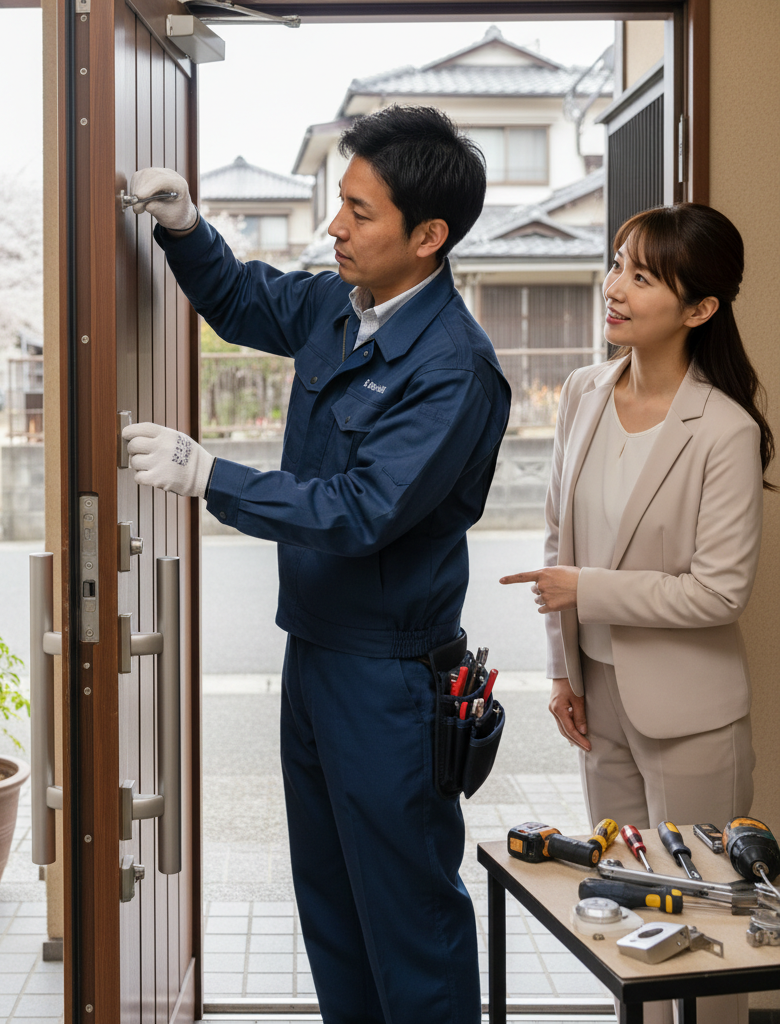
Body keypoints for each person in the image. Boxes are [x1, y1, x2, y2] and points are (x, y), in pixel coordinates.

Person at [121, 105, 510, 1024]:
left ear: (429, 237)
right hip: (317, 655)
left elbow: (363, 508)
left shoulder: (453, 368)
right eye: (339, 202)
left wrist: (211, 475)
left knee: (410, 917)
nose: (334, 226)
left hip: (390, 679)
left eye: (359, 211)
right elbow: (247, 298)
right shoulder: (343, 306)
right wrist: (185, 228)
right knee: (330, 905)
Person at [501, 203, 772, 1024]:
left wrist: (587, 589)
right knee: (627, 919)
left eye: (641, 276)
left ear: (699, 309)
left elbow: (720, 591)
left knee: (704, 927)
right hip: (601, 697)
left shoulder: (725, 430)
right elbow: (558, 540)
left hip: (690, 715)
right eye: (617, 264)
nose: (613, 288)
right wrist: (562, 669)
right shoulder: (584, 390)